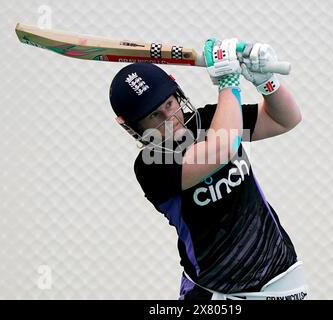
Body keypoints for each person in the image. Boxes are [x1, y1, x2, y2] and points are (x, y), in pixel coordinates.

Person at [109, 38, 308, 300]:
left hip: (283, 277)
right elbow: (222, 149)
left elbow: (285, 120)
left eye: (169, 104)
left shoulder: (208, 120)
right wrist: (228, 82)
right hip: (216, 293)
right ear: (133, 127)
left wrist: (265, 82)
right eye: (153, 116)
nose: (170, 118)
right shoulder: (150, 164)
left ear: (178, 96)